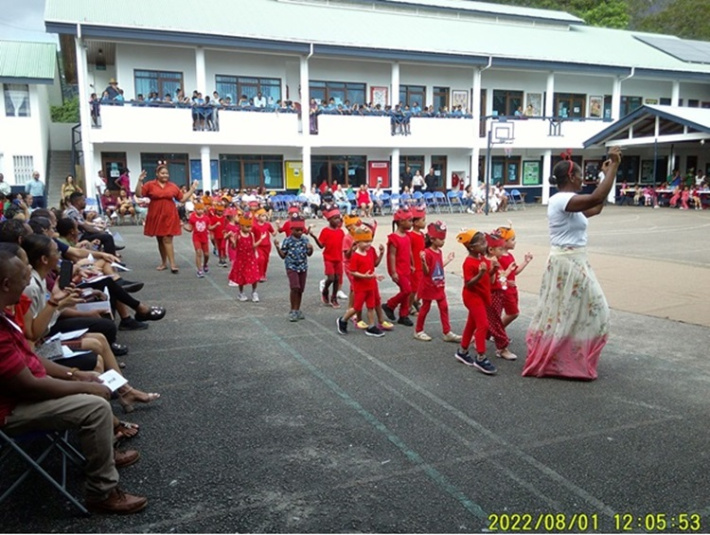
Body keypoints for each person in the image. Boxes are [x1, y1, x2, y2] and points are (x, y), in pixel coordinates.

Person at [0, 248, 148, 514]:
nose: (27, 280)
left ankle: (102, 457)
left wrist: (74, 375)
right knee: (95, 406)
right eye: (23, 275)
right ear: (6, 284)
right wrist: (86, 386)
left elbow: (29, 358)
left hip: (24, 393)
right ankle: (101, 492)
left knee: (93, 382)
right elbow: (30, 385)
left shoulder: (5, 313)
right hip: (12, 409)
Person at [523, 146, 622, 381]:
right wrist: (614, 166)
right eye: (579, 176)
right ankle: (559, 359)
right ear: (571, 177)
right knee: (595, 310)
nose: (582, 180)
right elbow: (596, 197)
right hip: (566, 263)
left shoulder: (572, 203)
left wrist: (608, 175)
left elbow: (596, 207)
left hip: (576, 261)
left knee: (572, 313)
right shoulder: (560, 200)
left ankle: (565, 358)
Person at [136, 166, 198, 273]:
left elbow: (182, 198)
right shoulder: (150, 185)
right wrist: (140, 180)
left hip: (169, 215)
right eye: (162, 173)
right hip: (155, 215)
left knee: (167, 239)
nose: (165, 175)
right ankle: (164, 262)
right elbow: (138, 194)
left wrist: (192, 189)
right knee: (160, 239)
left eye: (166, 173)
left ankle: (173, 264)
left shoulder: (172, 186)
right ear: (157, 174)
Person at [454, 228, 497, 375]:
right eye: (482, 243)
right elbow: (469, 283)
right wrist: (481, 273)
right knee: (483, 325)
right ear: (472, 247)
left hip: (481, 295)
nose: (486, 245)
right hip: (472, 297)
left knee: (471, 324)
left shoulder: (481, 258)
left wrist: (493, 270)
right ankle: (481, 356)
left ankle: (462, 351)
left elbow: (485, 277)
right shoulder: (469, 262)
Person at [413, 221, 460, 343]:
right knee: (425, 308)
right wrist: (423, 262)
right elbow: (427, 271)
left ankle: (447, 331)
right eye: (441, 239)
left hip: (439, 285)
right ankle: (418, 330)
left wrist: (448, 260)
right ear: (433, 239)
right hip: (429, 285)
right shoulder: (427, 253)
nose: (443, 242)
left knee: (444, 307)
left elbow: (437, 267)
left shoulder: (439, 252)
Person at [336, 225, 386, 338]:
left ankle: (371, 326)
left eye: (370, 241)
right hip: (361, 286)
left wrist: (382, 254)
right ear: (357, 242)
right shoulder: (356, 256)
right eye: (365, 241)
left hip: (370, 284)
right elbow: (352, 271)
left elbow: (375, 264)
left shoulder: (371, 251)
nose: (368, 244)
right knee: (357, 307)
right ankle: (343, 320)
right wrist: (364, 276)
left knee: (371, 306)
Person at [273, 215, 313, 322]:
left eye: (301, 230)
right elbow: (283, 255)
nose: (300, 232)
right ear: (291, 230)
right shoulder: (287, 241)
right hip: (291, 266)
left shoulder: (305, 240)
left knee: (300, 289)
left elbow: (309, 254)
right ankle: (293, 309)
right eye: (297, 230)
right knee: (294, 287)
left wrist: (311, 249)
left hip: (303, 267)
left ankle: (298, 309)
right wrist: (277, 247)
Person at [484, 233, 517, 361]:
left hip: (498, 294)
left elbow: (500, 277)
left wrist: (507, 275)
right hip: (492, 295)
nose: (503, 252)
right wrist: (497, 271)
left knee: (492, 321)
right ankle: (502, 348)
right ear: (491, 249)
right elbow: (492, 280)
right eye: (500, 249)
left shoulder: (496, 261)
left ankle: (478, 339)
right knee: (496, 321)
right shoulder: (490, 262)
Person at [494, 224, 533, 330]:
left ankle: (496, 332)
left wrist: (525, 262)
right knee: (513, 313)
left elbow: (514, 272)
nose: (515, 242)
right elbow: (498, 274)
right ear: (504, 242)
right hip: (505, 290)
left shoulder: (509, 256)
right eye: (512, 239)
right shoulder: (499, 258)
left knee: (512, 312)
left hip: (511, 289)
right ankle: (495, 331)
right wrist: (505, 281)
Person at [381, 207, 414, 326]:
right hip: (398, 269)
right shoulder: (394, 238)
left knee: (406, 292)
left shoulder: (407, 236)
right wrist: (393, 272)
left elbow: (409, 251)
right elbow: (392, 256)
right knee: (407, 290)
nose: (411, 223)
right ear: (401, 222)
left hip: (406, 267)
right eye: (409, 220)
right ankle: (390, 305)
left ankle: (403, 315)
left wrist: (412, 264)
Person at [310, 206, 344, 308]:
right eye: (335, 218)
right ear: (329, 220)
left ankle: (334, 297)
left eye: (338, 218)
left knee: (337, 279)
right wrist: (314, 236)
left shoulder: (341, 232)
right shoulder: (325, 231)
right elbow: (321, 245)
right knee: (331, 278)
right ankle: (325, 290)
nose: (337, 220)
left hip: (338, 258)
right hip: (329, 258)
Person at [228, 213, 263, 302]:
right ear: (241, 226)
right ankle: (241, 293)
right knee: (241, 277)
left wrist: (261, 239)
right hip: (241, 259)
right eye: (247, 227)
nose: (249, 229)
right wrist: (233, 242)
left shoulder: (251, 235)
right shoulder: (237, 235)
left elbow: (253, 246)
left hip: (251, 259)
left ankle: (254, 292)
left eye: (250, 227)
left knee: (254, 275)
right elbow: (234, 247)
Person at [183, 203, 210, 277]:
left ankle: (205, 264)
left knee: (206, 254)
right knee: (198, 253)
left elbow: (209, 227)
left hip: (205, 238)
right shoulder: (192, 218)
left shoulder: (206, 218)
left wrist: (217, 226)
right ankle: (199, 270)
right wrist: (183, 226)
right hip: (196, 238)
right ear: (195, 210)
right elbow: (190, 229)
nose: (200, 211)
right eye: (198, 209)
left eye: (201, 209)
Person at [253, 209, 275, 282]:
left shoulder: (268, 225)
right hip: (259, 245)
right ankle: (260, 274)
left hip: (267, 246)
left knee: (265, 260)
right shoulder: (254, 226)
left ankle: (263, 273)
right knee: (260, 259)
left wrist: (278, 226)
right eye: (262, 216)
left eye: (265, 216)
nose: (264, 218)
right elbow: (251, 234)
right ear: (258, 217)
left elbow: (274, 233)